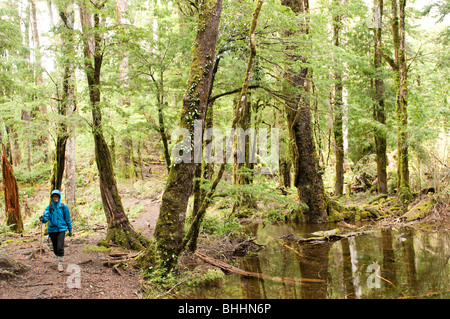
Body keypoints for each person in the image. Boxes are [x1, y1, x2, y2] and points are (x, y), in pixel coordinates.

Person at [40, 189, 73, 272]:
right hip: (52, 230)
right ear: (52, 197)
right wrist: (43, 219)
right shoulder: (49, 208)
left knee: (60, 247)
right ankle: (58, 256)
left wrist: (70, 229)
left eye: (57, 196)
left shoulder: (63, 207)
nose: (55, 198)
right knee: (55, 248)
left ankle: (60, 263)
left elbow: (67, 218)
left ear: (59, 197)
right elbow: (46, 218)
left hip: (62, 229)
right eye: (54, 196)